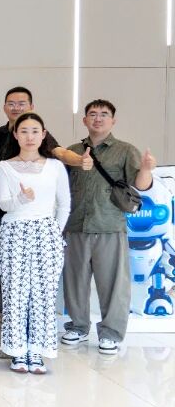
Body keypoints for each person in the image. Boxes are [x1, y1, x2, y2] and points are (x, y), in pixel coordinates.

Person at [62, 99, 154, 355]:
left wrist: (146, 169)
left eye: (104, 114)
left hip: (110, 226)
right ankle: (78, 327)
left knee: (113, 284)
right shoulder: (73, 151)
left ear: (113, 120)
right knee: (75, 281)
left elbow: (141, 185)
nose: (98, 118)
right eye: (93, 114)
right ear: (84, 120)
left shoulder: (125, 150)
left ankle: (111, 333)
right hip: (76, 225)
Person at [0, 87, 83, 311]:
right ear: (4, 107)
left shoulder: (40, 138)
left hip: (41, 225)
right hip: (3, 216)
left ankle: (33, 321)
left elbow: (60, 153)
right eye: (11, 103)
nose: (16, 107)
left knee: (38, 283)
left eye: (22, 103)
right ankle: (1, 315)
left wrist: (80, 161)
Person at [0, 113, 70, 374]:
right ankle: (17, 351)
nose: (29, 136)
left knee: (43, 294)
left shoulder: (55, 166)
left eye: (35, 131)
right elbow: (3, 204)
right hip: (14, 231)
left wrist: (55, 232)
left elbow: (65, 204)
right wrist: (21, 199)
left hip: (47, 232)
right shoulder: (4, 167)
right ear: (15, 135)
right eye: (24, 131)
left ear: (43, 134)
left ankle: (37, 351)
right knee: (15, 293)